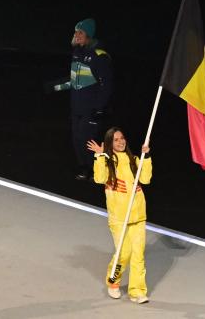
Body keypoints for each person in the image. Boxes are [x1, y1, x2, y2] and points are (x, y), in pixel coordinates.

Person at [86, 127, 151, 304]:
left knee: (138, 255)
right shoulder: (108, 161)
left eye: (122, 138)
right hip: (119, 217)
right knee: (124, 253)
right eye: (116, 140)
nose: (120, 142)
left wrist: (146, 158)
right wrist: (100, 156)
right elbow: (99, 179)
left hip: (138, 215)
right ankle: (113, 282)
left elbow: (145, 179)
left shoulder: (134, 160)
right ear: (109, 143)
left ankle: (137, 291)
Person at [54, 18, 113, 181]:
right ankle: (83, 168)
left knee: (88, 140)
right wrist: (54, 87)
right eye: (75, 31)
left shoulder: (99, 56)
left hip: (91, 109)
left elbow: (106, 85)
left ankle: (97, 171)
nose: (77, 35)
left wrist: (99, 109)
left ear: (89, 35)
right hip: (76, 108)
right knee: (77, 138)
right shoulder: (77, 53)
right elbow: (74, 81)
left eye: (80, 32)